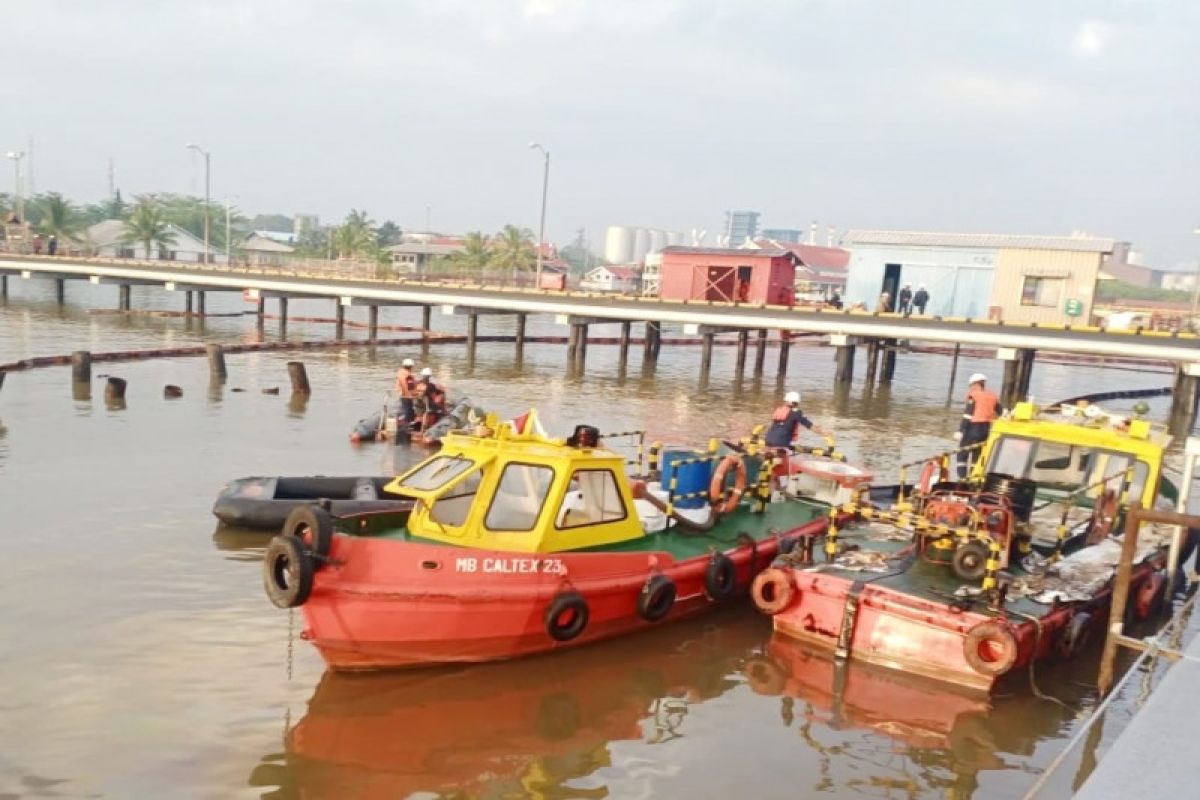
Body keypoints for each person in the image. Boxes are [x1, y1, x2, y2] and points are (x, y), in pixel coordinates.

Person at [954, 373, 1003, 479]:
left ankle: (962, 479)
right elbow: (1001, 411)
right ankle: (973, 478)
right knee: (977, 455)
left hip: (973, 427)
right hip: (986, 429)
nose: (970, 387)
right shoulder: (992, 395)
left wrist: (961, 430)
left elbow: (968, 414)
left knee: (962, 454)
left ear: (975, 384)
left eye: (971, 385)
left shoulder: (973, 395)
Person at [764, 390, 832, 450]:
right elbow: (809, 425)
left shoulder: (779, 410)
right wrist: (824, 433)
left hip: (768, 440)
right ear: (795, 403)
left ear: (786, 401)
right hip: (781, 443)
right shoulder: (796, 413)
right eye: (797, 403)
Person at [394, 357, 417, 424]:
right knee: (408, 409)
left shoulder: (400, 373)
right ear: (411, 366)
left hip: (401, 394)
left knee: (407, 408)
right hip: (407, 395)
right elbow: (408, 386)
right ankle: (408, 424)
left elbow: (400, 384)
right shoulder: (408, 375)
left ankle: (409, 421)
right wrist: (412, 394)